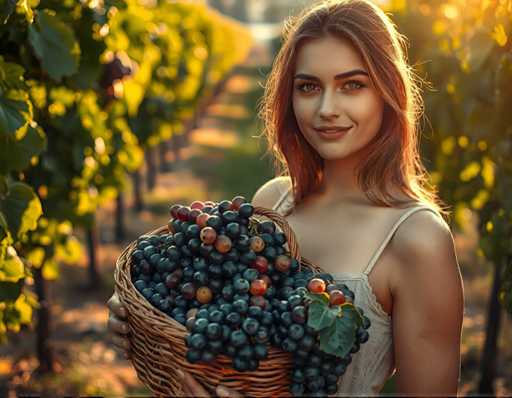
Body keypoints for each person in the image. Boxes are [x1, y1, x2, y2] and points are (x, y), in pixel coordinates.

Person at [107, 0, 465, 396]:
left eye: (353, 85)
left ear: (388, 91)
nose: (327, 109)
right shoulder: (275, 202)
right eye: (309, 87)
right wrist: (144, 320)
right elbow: (227, 334)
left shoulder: (417, 240)